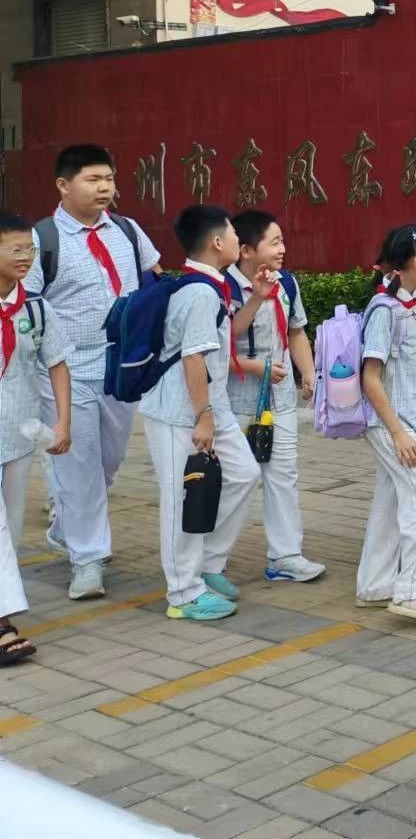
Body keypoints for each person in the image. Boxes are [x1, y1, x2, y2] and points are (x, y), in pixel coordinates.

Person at [25, 145, 162, 600]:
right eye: (93, 179)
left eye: (109, 178)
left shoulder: (127, 229)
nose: (104, 187)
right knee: (79, 464)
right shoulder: (42, 240)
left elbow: (153, 279)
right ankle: (87, 560)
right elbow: (26, 306)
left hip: (121, 368)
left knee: (107, 461)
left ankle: (68, 526)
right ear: (63, 185)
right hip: (66, 371)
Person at [138, 206, 261, 622]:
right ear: (217, 242)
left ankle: (207, 563)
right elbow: (193, 357)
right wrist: (203, 416)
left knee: (244, 473)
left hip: (209, 404)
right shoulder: (198, 293)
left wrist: (259, 298)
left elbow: (218, 343)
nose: (238, 241)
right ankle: (184, 593)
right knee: (182, 498)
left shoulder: (212, 285)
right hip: (181, 410)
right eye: (233, 234)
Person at [355, 226, 416, 625]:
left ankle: (375, 585)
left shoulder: (410, 306)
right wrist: (398, 432)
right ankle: (413, 592)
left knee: (392, 499)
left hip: (402, 420)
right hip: (389, 423)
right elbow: (371, 377)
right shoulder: (385, 310)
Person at [225, 210, 325, 584]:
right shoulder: (224, 287)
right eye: (275, 242)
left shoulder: (287, 284)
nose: (283, 249)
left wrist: (308, 373)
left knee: (283, 475)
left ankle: (285, 556)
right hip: (234, 400)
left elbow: (296, 332)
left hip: (279, 398)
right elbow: (219, 344)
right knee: (232, 479)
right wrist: (254, 365)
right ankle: (209, 558)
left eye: (282, 241)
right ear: (247, 250)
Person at [0, 210, 73, 665]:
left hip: (17, 433)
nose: (26, 257)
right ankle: (3, 622)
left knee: (9, 524)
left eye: (29, 248)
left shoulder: (36, 309)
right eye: (15, 249)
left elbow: (58, 364)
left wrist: (62, 422)